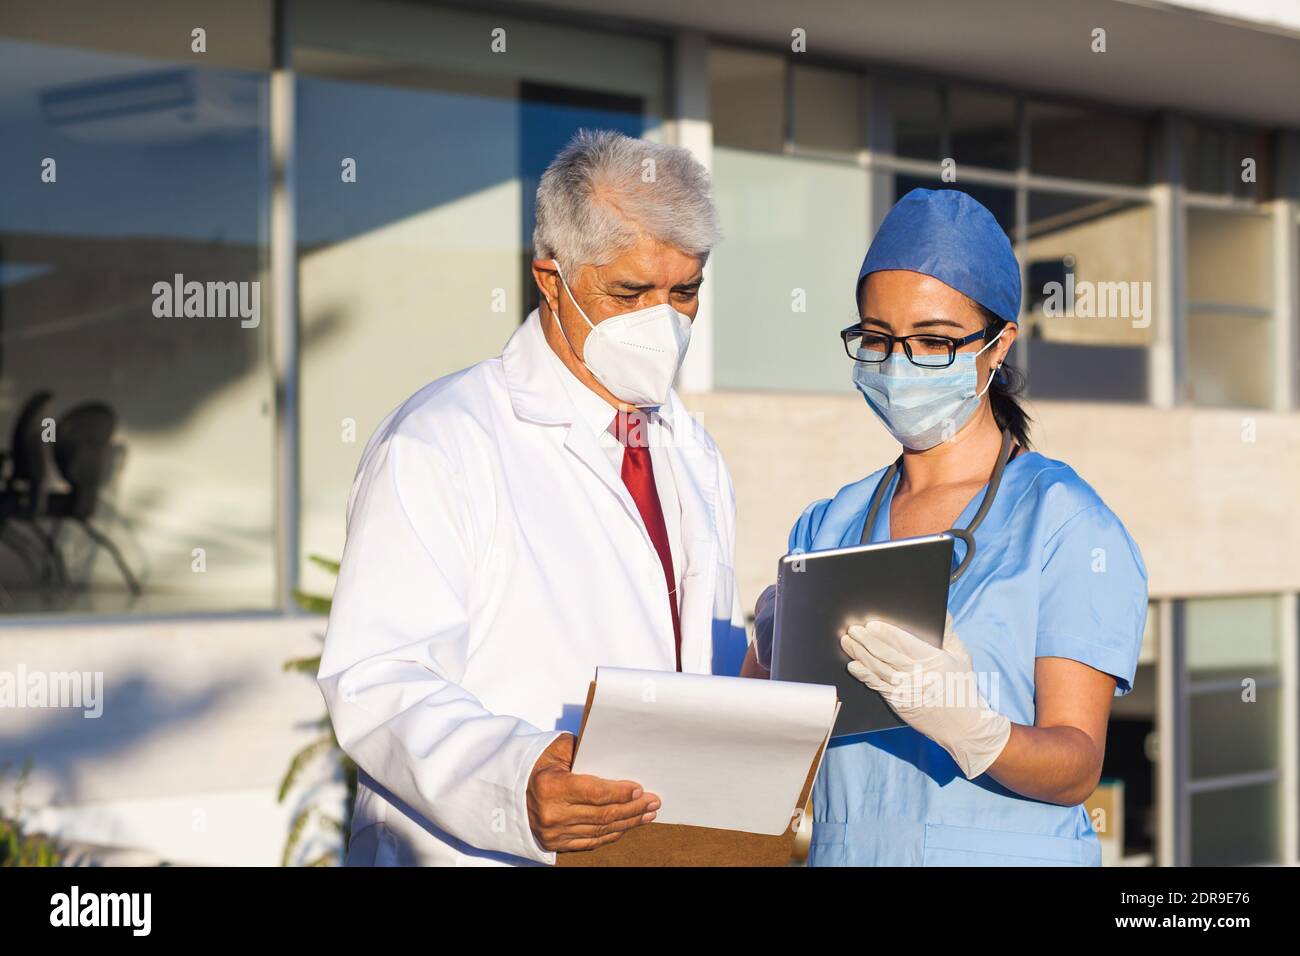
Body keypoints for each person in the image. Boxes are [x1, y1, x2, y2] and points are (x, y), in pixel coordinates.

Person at [318, 130, 748, 866]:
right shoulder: (442, 441)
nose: (664, 321)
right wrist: (516, 782)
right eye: (630, 292)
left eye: (685, 292)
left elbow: (694, 665)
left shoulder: (692, 452)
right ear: (551, 280)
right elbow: (376, 679)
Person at [745, 188, 1148, 866]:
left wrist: (978, 732)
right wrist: (762, 662)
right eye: (877, 339)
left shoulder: (1066, 524)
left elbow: (1078, 763)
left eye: (933, 341)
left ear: (998, 347)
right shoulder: (828, 524)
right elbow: (768, 753)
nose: (899, 363)